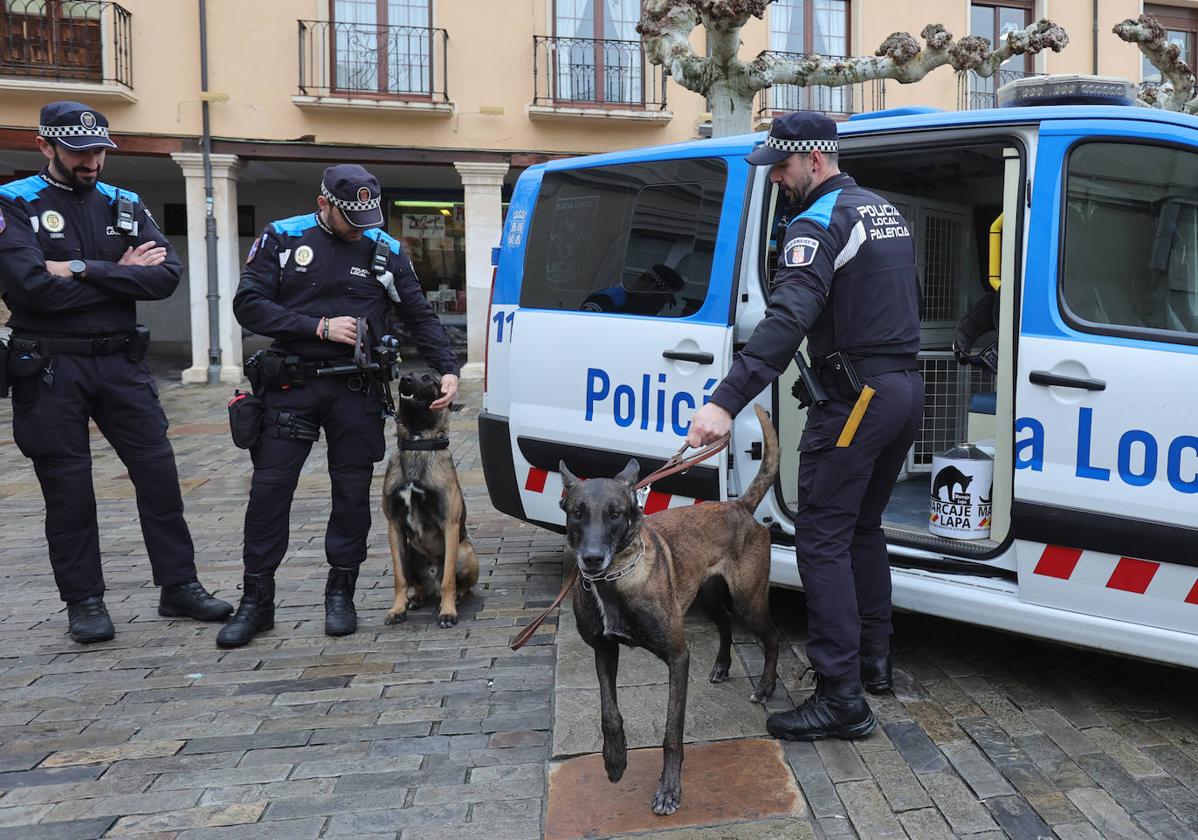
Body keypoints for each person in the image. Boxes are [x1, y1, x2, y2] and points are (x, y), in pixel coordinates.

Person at [686, 112, 924, 741]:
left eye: (784, 169)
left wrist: (724, 402)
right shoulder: (882, 210)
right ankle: (874, 661)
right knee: (861, 527)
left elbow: (786, 320)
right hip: (900, 390)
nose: (780, 182)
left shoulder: (816, 222)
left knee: (820, 537)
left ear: (815, 160)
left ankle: (841, 697)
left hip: (856, 401)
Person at [0, 101, 233, 643]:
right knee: (68, 488)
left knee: (159, 476)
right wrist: (119, 272)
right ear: (46, 147)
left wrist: (78, 268)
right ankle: (84, 601)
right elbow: (30, 286)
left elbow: (166, 277)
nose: (93, 162)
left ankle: (179, 586)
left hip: (121, 362)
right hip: (52, 366)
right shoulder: (14, 204)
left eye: (100, 151)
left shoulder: (124, 203)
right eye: (80, 152)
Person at [219, 164, 460, 649]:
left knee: (351, 497)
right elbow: (248, 303)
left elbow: (416, 312)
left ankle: (340, 595)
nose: (361, 228)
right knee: (269, 493)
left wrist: (447, 365)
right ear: (323, 204)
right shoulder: (282, 238)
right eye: (352, 218)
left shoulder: (385, 248)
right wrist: (318, 327)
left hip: (356, 390)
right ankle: (256, 603)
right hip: (291, 384)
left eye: (368, 218)